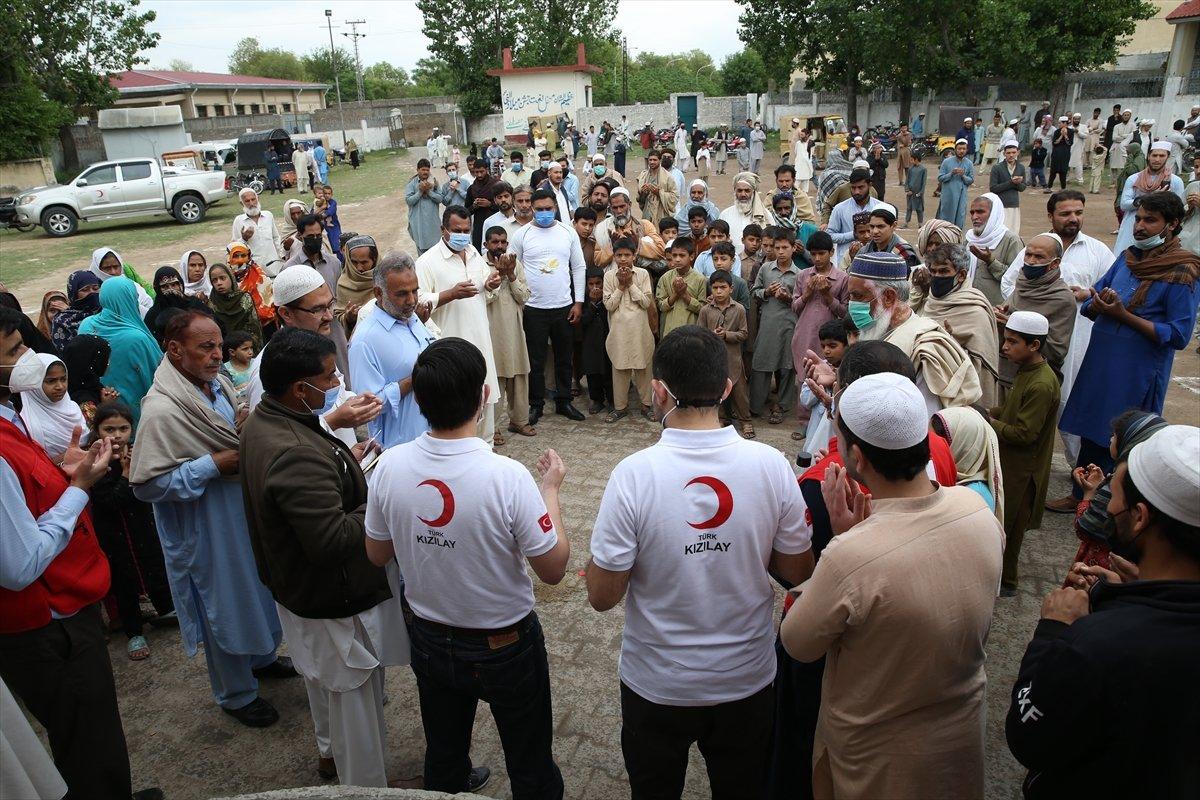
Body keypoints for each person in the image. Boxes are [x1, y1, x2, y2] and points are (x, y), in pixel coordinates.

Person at [587, 325, 814, 799]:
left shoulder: (633, 475)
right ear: (728, 387)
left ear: (659, 391)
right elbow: (799, 573)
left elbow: (602, 596)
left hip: (657, 682)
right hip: (746, 678)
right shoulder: (771, 464)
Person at [781, 370, 1002, 800]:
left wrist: (845, 541)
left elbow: (797, 643)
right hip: (958, 738)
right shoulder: (977, 509)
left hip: (879, 758)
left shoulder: (851, 555)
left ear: (857, 458)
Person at [365, 337, 565, 798]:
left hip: (430, 635)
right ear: (483, 395)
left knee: (444, 750)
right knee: (530, 759)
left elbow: (377, 555)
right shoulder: (506, 476)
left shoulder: (388, 467)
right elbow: (553, 567)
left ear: (420, 398)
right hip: (505, 643)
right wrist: (550, 491)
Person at [0, 308, 164, 800]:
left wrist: (61, 478)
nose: (25, 358)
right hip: (46, 626)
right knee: (85, 735)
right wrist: (78, 490)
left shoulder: (13, 421)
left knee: (92, 731)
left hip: (60, 616)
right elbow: (19, 564)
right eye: (11, 353)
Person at [240, 327, 406, 787]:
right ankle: (365, 788)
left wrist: (346, 462)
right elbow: (331, 538)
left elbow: (307, 485)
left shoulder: (266, 419)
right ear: (300, 389)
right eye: (330, 377)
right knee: (355, 702)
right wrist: (375, 500)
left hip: (296, 589)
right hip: (330, 597)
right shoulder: (293, 452)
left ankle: (329, 755)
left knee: (323, 684)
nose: (336, 385)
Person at [1008, 424, 1200, 800]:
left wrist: (1052, 632)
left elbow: (1027, 737)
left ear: (1141, 517)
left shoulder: (1092, 645)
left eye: (1115, 495)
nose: (1108, 505)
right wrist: (1141, 588)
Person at [129, 311, 292, 726]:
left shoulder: (215, 384)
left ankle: (262, 658)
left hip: (242, 513)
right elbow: (147, 485)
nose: (217, 355)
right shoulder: (162, 411)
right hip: (206, 529)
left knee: (255, 590)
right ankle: (236, 694)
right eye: (206, 347)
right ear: (175, 349)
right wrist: (212, 466)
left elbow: (229, 429)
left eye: (219, 345)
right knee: (223, 603)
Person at [1061, 190, 1199, 463]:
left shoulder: (1183, 270)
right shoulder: (1128, 258)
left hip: (1138, 371)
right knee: (1091, 427)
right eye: (1138, 219)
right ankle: (1081, 494)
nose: (1140, 226)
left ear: (1172, 225)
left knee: (1122, 436)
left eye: (1150, 220)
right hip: (1101, 362)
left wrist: (1123, 315)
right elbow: (1093, 301)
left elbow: (1179, 335)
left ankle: (1110, 499)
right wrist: (1098, 304)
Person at [87, 401, 175, 660]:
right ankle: (134, 632)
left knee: (154, 563)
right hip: (113, 533)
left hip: (142, 525)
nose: (116, 435)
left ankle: (166, 609)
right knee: (124, 580)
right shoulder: (95, 462)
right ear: (97, 430)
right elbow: (109, 501)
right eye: (109, 429)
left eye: (123, 428)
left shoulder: (139, 451)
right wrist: (126, 473)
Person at [846, 251, 982, 409]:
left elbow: (921, 419)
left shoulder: (924, 348)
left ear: (889, 297)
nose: (852, 304)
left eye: (858, 296)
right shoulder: (879, 330)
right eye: (850, 296)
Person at [416, 206, 502, 443]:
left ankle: (486, 452)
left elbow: (486, 291)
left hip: (481, 343)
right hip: (450, 350)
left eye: (466, 230)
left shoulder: (473, 253)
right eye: (457, 230)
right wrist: (450, 294)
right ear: (443, 229)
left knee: (485, 410)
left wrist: (492, 284)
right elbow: (418, 301)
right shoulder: (427, 262)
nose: (462, 235)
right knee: (456, 409)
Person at [989, 310, 1059, 595]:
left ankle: (1007, 583)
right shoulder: (1027, 371)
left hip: (1023, 469)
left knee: (1011, 526)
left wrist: (990, 424)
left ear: (1034, 346)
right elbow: (1012, 411)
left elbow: (1025, 433)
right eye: (1005, 340)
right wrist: (988, 411)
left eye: (1013, 342)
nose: (1005, 347)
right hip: (1011, 463)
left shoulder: (1041, 383)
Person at [508, 189, 587, 424]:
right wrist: (519, 303)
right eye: (539, 209)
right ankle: (536, 405)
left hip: (564, 306)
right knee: (535, 360)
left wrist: (579, 302)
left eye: (548, 208)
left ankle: (564, 402)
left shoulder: (567, 233)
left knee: (564, 358)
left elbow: (578, 268)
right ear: (531, 208)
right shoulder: (521, 235)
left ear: (555, 208)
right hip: (533, 308)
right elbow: (512, 270)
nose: (544, 213)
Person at [348, 252, 437, 449]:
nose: (412, 300)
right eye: (402, 294)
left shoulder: (413, 320)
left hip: (433, 439)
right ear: (378, 293)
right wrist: (413, 380)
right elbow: (365, 408)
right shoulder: (365, 340)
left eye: (415, 291)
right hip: (401, 449)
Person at [920, 243, 1002, 407]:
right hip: (929, 387)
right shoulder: (931, 302)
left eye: (944, 271)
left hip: (962, 395)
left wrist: (951, 343)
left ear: (961, 275)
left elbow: (981, 364)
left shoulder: (975, 311)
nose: (937, 276)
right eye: (933, 271)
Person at [77, 277, 162, 428]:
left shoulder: (86, 325)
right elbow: (157, 377)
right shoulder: (138, 338)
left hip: (99, 416)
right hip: (138, 419)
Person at [998, 233, 1078, 385]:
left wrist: (1016, 327)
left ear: (1055, 264)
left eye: (1039, 257)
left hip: (1034, 382)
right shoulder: (1022, 284)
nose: (1031, 261)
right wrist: (1000, 317)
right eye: (1028, 255)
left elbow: (1056, 352)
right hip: (1003, 372)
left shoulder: (1063, 299)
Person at [284, 213, 351, 380]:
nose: (315, 240)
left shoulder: (334, 263)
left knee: (343, 374)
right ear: (300, 236)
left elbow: (337, 297)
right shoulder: (290, 268)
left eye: (318, 236)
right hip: (307, 332)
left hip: (333, 328)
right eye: (310, 237)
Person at [789, 230, 847, 421]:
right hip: (804, 334)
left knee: (827, 374)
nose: (817, 258)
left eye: (821, 253)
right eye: (813, 254)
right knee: (804, 376)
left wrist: (828, 296)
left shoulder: (841, 278)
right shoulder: (804, 276)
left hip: (829, 339)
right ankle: (804, 420)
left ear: (831, 252)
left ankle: (826, 420)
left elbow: (844, 313)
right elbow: (795, 307)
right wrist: (807, 293)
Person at [602, 237, 656, 424]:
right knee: (619, 368)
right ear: (614, 256)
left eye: (627, 255)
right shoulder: (609, 276)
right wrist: (620, 286)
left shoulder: (642, 274)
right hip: (618, 330)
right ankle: (620, 408)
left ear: (634, 255)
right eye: (619, 255)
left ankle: (646, 405)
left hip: (640, 330)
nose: (623, 259)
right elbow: (609, 305)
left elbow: (646, 302)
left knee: (643, 367)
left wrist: (630, 284)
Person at [751, 228, 801, 424]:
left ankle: (781, 407)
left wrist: (789, 298)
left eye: (784, 247)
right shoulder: (765, 269)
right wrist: (767, 292)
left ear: (793, 248)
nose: (780, 251)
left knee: (787, 367)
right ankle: (756, 405)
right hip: (768, 324)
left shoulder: (800, 274)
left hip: (790, 325)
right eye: (777, 247)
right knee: (762, 362)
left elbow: (801, 303)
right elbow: (754, 292)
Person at [699, 269, 753, 438]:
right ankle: (722, 419)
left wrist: (727, 335)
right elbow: (699, 334)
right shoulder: (706, 310)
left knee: (740, 392)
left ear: (731, 288)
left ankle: (746, 421)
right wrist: (712, 335)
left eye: (723, 287)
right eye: (715, 288)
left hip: (733, 359)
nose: (719, 291)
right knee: (717, 390)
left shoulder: (739, 309)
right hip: (713, 359)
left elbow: (744, 334)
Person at [931, 405, 1004, 519]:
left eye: (938, 444)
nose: (931, 449)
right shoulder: (958, 478)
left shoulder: (975, 496)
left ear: (961, 448)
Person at [1114, 141, 1186, 254]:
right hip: (1133, 224)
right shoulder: (1134, 179)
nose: (1157, 159)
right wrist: (1150, 197)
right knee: (1126, 257)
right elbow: (1124, 204)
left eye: (1162, 156)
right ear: (1148, 156)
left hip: (1159, 228)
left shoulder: (1175, 181)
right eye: (1154, 155)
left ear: (1168, 157)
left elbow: (1179, 209)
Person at [13, 352, 84, 463]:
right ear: (34, 383)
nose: (60, 386)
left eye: (63, 379)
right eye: (51, 381)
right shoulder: (26, 424)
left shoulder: (73, 408)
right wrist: (67, 458)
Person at [965, 193, 1024, 305]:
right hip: (969, 305)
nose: (974, 217)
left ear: (994, 214)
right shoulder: (969, 239)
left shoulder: (1011, 240)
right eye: (972, 212)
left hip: (997, 310)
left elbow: (1016, 281)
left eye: (980, 212)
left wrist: (990, 261)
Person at [827, 168, 883, 264]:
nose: (856, 192)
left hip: (875, 261)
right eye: (853, 188)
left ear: (869, 186)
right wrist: (853, 235)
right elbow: (830, 235)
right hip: (846, 263)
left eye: (861, 187)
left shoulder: (879, 208)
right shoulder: (839, 209)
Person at [144, 265, 211, 344]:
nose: (171, 290)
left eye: (174, 285)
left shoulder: (195, 304)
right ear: (157, 289)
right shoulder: (153, 314)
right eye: (165, 286)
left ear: (181, 284)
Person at [208, 263, 264, 350]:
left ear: (231, 278)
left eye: (222, 278)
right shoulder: (212, 302)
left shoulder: (244, 298)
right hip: (222, 351)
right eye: (214, 280)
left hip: (245, 349)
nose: (219, 283)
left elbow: (254, 329)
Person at [63, 333, 115, 425]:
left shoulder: (81, 385)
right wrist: (106, 406)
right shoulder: (84, 402)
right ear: (93, 362)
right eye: (105, 358)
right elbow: (96, 433)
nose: (108, 362)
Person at [334, 234, 379, 338]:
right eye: (354, 262)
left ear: (375, 259)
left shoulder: (385, 280)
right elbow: (337, 319)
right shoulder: (343, 284)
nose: (359, 268)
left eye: (364, 262)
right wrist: (348, 318)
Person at [232, 189, 285, 276]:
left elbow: (276, 238)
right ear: (242, 203)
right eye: (247, 201)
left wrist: (281, 256)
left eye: (253, 199)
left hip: (273, 267)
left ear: (258, 199)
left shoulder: (268, 215)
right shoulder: (239, 220)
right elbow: (235, 247)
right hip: (253, 270)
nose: (251, 203)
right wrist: (244, 238)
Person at [88, 247, 154, 318]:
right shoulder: (93, 290)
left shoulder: (132, 285)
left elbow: (149, 306)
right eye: (107, 268)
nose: (113, 272)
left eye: (116, 267)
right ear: (97, 270)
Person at [720, 171, 772, 251]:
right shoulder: (725, 214)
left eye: (747, 191)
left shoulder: (765, 215)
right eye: (739, 191)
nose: (743, 194)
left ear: (753, 192)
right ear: (735, 192)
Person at [51, 271, 102, 350]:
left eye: (95, 288)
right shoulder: (62, 321)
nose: (92, 293)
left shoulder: (107, 311)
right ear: (74, 293)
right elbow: (67, 353)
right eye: (85, 290)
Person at [406, 159, 446, 256]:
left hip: (433, 223)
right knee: (422, 253)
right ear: (417, 170)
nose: (425, 172)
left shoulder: (434, 182)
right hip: (418, 223)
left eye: (427, 170)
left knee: (436, 251)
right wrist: (420, 192)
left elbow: (440, 198)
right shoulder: (412, 183)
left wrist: (428, 192)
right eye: (423, 170)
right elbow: (409, 201)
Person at [937, 139, 975, 228]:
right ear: (955, 149)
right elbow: (940, 178)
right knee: (946, 220)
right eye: (959, 149)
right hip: (948, 197)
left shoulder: (969, 163)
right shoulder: (946, 162)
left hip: (962, 197)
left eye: (964, 149)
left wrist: (963, 176)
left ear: (967, 150)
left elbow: (971, 180)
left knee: (960, 219)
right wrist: (951, 173)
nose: (961, 151)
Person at [990, 143, 1027, 233]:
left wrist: (1017, 183)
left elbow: (1022, 187)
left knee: (1013, 232)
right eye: (1008, 153)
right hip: (1000, 205)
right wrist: (1011, 182)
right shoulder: (997, 168)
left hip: (1014, 205)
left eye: (1013, 152)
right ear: (1004, 154)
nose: (1011, 155)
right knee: (1000, 231)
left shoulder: (1021, 167)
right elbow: (993, 188)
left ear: (1018, 153)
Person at [636, 150, 678, 225]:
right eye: (650, 160)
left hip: (661, 214)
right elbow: (639, 199)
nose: (652, 162)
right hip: (647, 213)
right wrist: (644, 193)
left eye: (655, 160)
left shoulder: (668, 177)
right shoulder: (643, 176)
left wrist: (659, 193)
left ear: (660, 160)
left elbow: (674, 197)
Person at [465, 159, 497, 251]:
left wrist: (490, 204)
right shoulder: (472, 188)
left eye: (481, 171)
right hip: (479, 225)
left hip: (495, 222)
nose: (479, 175)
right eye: (476, 172)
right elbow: (466, 211)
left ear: (486, 170)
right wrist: (474, 206)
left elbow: (505, 205)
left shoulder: (496, 185)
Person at [223, 330, 256, 395]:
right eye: (245, 349)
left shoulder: (256, 363)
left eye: (251, 348)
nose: (250, 352)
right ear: (232, 352)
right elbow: (228, 394)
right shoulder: (225, 370)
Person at [903, 155, 927, 228]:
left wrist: (921, 192)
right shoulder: (910, 169)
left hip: (918, 193)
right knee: (909, 208)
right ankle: (906, 223)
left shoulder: (923, 169)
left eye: (912, 159)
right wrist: (907, 190)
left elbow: (924, 182)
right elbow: (907, 180)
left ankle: (920, 224)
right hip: (910, 192)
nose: (911, 161)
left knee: (919, 209)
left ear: (916, 159)